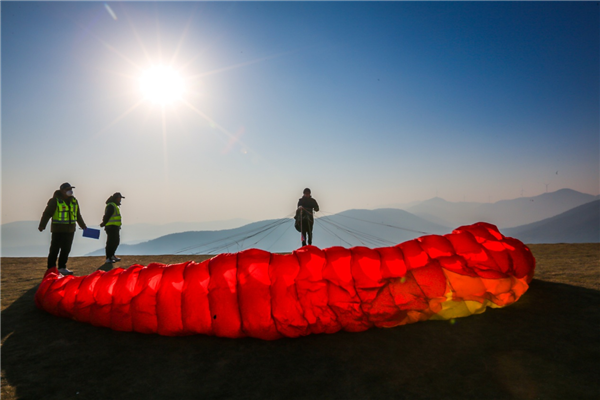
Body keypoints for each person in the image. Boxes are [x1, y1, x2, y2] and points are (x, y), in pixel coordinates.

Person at [38, 182, 87, 275]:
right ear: (62, 191)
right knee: (54, 250)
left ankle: (62, 267)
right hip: (58, 230)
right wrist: (42, 225)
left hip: (70, 230)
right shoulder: (55, 201)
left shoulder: (74, 201)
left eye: (70, 189)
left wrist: (83, 225)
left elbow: (77, 215)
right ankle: (51, 269)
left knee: (66, 249)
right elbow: (47, 213)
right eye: (67, 189)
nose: (70, 191)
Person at [100, 192, 125, 264]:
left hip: (115, 227)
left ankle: (112, 255)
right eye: (119, 198)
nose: (120, 200)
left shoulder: (113, 205)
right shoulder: (111, 206)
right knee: (111, 242)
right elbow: (107, 216)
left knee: (116, 241)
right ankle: (108, 257)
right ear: (116, 198)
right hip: (111, 227)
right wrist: (104, 223)